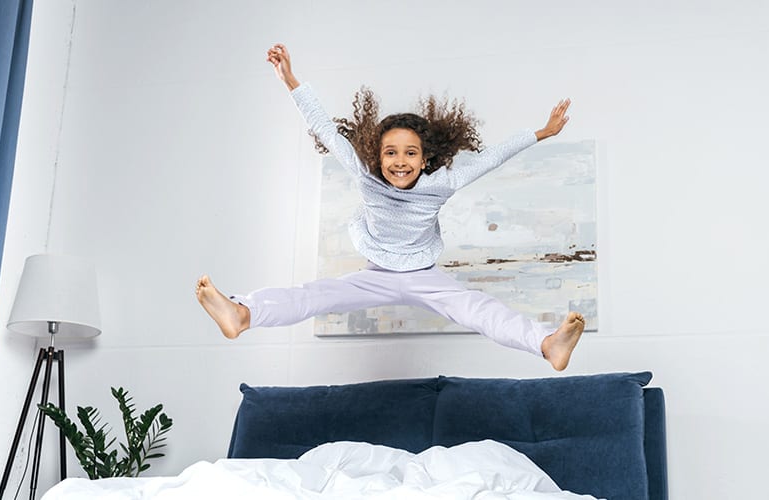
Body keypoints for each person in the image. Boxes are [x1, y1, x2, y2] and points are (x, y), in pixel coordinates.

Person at [196, 43, 584, 371]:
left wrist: (541, 132)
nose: (400, 161)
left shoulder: (441, 183)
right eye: (390, 153)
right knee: (313, 295)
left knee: (478, 309)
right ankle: (241, 312)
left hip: (423, 275)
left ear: (425, 158)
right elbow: (327, 132)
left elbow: (491, 158)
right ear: (375, 155)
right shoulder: (365, 175)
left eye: (410, 153)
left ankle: (547, 344)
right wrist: (291, 82)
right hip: (377, 273)